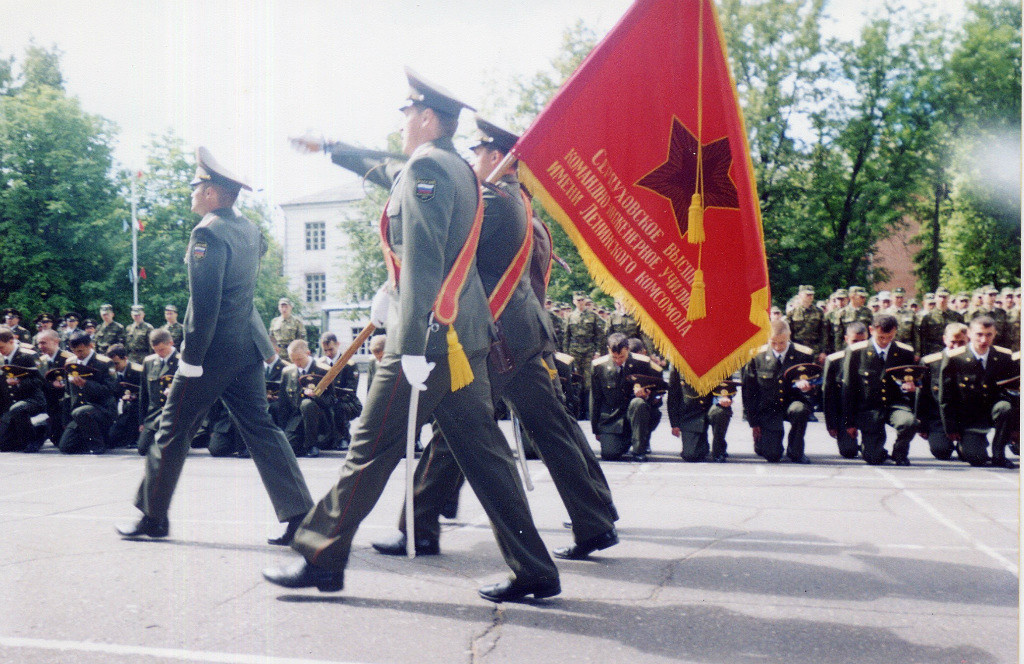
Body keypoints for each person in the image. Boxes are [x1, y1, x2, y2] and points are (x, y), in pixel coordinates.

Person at [263, 70, 560, 602]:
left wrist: (417, 345)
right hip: (461, 338)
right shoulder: (455, 167)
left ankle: (320, 556)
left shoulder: (426, 168)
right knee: (487, 458)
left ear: (426, 118)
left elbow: (423, 259)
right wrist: (332, 145)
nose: (401, 125)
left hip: (428, 339)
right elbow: (388, 173)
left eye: (406, 115)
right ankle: (535, 568)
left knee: (369, 448)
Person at [370, 116, 617, 562]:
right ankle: (595, 519)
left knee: (456, 431)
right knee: (553, 429)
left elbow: (447, 242)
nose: (472, 159)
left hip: (498, 335)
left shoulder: (494, 203)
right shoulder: (517, 201)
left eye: (480, 152)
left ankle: (418, 527)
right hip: (523, 333)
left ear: (499, 157)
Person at [116, 147, 314, 546]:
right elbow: (243, 293)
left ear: (211, 192)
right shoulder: (250, 229)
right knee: (262, 428)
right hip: (247, 347)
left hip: (212, 353)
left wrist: (190, 360)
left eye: (196, 186)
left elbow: (206, 303)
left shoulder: (207, 231)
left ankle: (153, 517)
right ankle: (299, 515)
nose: (191, 192)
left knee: (172, 430)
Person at [939, 316, 1019, 468]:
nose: (984, 339)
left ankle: (998, 454)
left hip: (994, 411)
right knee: (976, 458)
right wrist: (951, 427)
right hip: (969, 417)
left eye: (989, 334)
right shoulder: (955, 358)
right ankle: (966, 445)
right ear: (969, 333)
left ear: (995, 334)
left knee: (1005, 407)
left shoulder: (1004, 357)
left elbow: (1014, 392)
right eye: (979, 334)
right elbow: (946, 396)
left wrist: (1016, 427)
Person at [841, 314, 917, 465]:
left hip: (894, 405)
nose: (885, 341)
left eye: (890, 337)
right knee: (873, 458)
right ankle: (876, 449)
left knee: (909, 422)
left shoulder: (905, 352)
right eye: (881, 337)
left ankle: (900, 452)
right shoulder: (856, 352)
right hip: (869, 408)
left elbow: (911, 381)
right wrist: (849, 422)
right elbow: (848, 388)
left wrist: (911, 388)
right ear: (871, 330)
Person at [742, 319, 816, 463]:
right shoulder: (756, 355)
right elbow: (749, 391)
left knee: (800, 410)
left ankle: (796, 449)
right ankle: (762, 441)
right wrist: (753, 422)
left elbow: (816, 386)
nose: (777, 347)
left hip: (792, 403)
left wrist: (808, 388)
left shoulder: (804, 354)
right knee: (772, 455)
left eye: (782, 342)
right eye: (773, 342)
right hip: (769, 407)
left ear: (789, 335)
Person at [590, 332, 663, 462]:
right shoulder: (598, 366)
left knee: (638, 403)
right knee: (610, 454)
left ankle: (639, 449)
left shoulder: (642, 363)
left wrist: (647, 396)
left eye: (622, 357)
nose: (618, 361)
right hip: (612, 418)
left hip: (636, 414)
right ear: (608, 350)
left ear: (628, 350)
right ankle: (628, 440)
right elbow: (595, 399)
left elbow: (658, 393)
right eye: (614, 357)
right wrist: (596, 429)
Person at [58, 330, 117, 454]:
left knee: (82, 412)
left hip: (101, 409)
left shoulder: (104, 363)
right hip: (78, 413)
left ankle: (98, 445)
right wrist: (65, 419)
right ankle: (90, 439)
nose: (77, 354)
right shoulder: (70, 363)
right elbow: (68, 393)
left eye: (80, 351)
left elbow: (110, 390)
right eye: (74, 351)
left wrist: (87, 384)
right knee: (65, 447)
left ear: (90, 345)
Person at [915, 322, 967, 461]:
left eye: (961, 342)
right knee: (941, 451)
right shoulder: (930, 362)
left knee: (971, 455)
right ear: (944, 339)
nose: (956, 346)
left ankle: (966, 444)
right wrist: (922, 425)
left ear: (968, 340)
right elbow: (922, 395)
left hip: (965, 418)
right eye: (952, 342)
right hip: (939, 418)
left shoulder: (972, 361)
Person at [822, 321, 868, 459]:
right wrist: (831, 424)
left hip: (867, 412)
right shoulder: (834, 361)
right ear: (846, 339)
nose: (858, 345)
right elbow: (828, 395)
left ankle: (870, 444)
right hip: (844, 413)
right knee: (848, 451)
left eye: (862, 341)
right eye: (854, 341)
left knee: (873, 454)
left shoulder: (873, 358)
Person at [667, 367, 733, 462]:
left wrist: (725, 397)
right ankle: (702, 443)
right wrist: (675, 424)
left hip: (712, 408)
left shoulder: (722, 359)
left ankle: (719, 448)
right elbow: (673, 395)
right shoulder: (679, 359)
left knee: (720, 412)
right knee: (691, 455)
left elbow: (728, 386)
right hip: (691, 414)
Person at [280, 339, 332, 458]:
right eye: (293, 360)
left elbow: (331, 400)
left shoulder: (323, 370)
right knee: (287, 449)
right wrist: (284, 430)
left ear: (308, 353)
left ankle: (311, 445)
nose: (297, 363)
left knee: (307, 404)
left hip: (319, 418)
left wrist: (316, 396)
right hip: (297, 419)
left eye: (299, 359)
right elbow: (284, 404)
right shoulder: (287, 372)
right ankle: (300, 442)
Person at [0, 326, 46, 452]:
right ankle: (25, 433)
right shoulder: (1, 359)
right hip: (9, 404)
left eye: (1, 347)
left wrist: (20, 382)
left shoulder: (29, 356)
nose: (0, 351)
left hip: (31, 400)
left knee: (18, 409)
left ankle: (33, 438)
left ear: (11, 341)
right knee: (3, 445)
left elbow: (41, 381)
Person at [137, 328, 179, 456]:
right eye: (155, 350)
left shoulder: (181, 361)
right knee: (142, 449)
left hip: (175, 414)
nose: (159, 353)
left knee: (169, 451)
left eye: (162, 349)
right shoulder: (149, 362)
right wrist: (142, 421)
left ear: (170, 343)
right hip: (154, 414)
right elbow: (143, 393)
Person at [318, 332, 361, 449]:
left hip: (347, 401)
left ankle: (343, 437)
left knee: (338, 407)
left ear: (337, 344)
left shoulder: (349, 364)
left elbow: (351, 390)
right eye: (325, 350)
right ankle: (326, 437)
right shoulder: (320, 364)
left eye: (331, 349)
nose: (328, 353)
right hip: (327, 399)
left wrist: (334, 398)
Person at [564, 291, 603, 417]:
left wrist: (597, 351)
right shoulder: (570, 317)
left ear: (585, 301)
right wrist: (566, 354)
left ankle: (588, 411)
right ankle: (577, 411)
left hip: (588, 350)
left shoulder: (593, 316)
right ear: (574, 301)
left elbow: (599, 335)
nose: (580, 302)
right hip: (574, 350)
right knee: (575, 379)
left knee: (588, 380)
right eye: (578, 300)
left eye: (582, 300)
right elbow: (566, 336)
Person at [33, 329, 72, 450]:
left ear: (56, 342)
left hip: (66, 404)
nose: (40, 346)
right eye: (39, 343)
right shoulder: (41, 361)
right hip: (49, 404)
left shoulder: (69, 359)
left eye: (44, 343)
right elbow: (39, 383)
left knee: (62, 442)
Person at [106, 343, 143, 448]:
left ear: (125, 359)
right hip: (125, 411)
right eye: (111, 364)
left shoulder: (139, 371)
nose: (114, 367)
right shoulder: (111, 372)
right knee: (111, 439)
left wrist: (135, 397)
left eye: (116, 363)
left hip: (139, 411)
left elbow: (148, 394)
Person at [916, 287, 962, 356]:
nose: (942, 299)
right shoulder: (928, 317)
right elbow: (923, 339)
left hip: (953, 350)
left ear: (948, 298)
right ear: (935, 298)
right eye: (940, 296)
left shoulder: (957, 316)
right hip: (934, 351)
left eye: (944, 297)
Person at [785, 285, 826, 362]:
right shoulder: (792, 313)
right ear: (800, 295)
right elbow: (788, 334)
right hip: (798, 349)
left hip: (815, 349)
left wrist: (823, 352)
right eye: (808, 294)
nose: (810, 297)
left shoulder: (819, 312)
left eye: (812, 294)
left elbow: (824, 334)